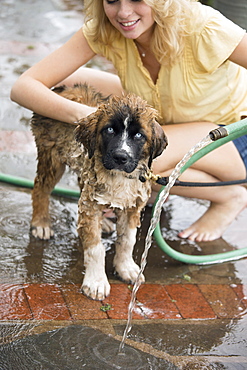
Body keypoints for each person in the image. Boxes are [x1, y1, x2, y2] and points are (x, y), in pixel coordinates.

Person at [10, 0, 247, 242]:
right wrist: (89, 118)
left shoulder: (203, 25)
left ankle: (229, 197)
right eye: (112, 0)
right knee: (64, 85)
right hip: (171, 121)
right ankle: (152, 188)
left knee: (138, 157)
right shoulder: (107, 25)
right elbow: (24, 87)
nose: (123, 12)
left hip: (233, 138)